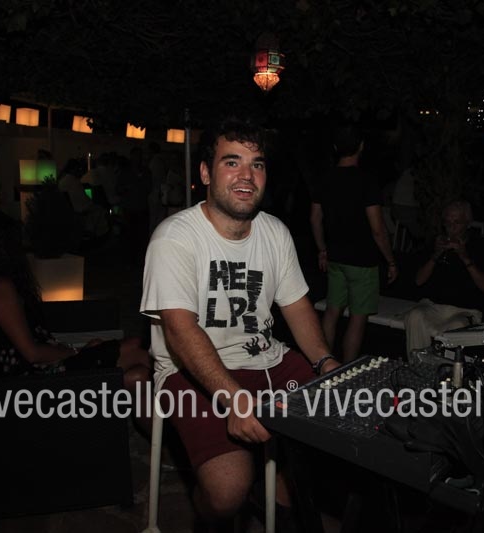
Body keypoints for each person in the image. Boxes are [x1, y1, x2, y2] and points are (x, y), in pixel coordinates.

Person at [139, 117, 340, 529]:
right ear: (205, 173)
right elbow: (180, 331)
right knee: (227, 490)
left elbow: (297, 307)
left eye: (257, 164)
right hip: (189, 370)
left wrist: (324, 362)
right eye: (232, 162)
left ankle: (278, 496)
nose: (247, 175)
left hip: (267, 360)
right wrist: (234, 399)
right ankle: (216, 507)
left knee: (345, 420)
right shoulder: (174, 237)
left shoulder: (275, 232)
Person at [0, 210, 150, 389]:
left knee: (138, 376)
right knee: (135, 346)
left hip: (29, 377)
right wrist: (75, 351)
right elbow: (32, 354)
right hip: (36, 381)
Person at [310, 124, 398, 363]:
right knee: (358, 317)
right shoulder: (366, 180)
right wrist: (391, 261)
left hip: (336, 257)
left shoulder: (325, 178)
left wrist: (322, 249)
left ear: (336, 148)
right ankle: (346, 370)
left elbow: (315, 218)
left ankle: (324, 365)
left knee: (332, 311)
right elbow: (378, 229)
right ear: (361, 147)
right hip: (363, 260)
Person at [404, 199, 484, 353]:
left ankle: (447, 367)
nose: (451, 227)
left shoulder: (482, 245)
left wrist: (465, 257)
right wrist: (435, 255)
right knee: (414, 316)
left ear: (468, 224)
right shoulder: (437, 243)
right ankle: (419, 365)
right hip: (434, 306)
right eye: (447, 222)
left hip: (465, 309)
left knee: (457, 326)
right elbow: (418, 281)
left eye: (457, 222)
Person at [57, 158, 109, 237]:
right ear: (73, 169)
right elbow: (83, 199)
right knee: (100, 210)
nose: (79, 170)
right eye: (78, 169)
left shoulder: (62, 181)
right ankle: (97, 234)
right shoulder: (74, 181)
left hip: (71, 209)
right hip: (80, 208)